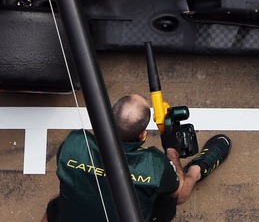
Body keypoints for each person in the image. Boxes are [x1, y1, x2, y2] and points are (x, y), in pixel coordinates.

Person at [42, 93, 231, 222]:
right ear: (142, 135)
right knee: (176, 194)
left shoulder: (75, 142)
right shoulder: (154, 165)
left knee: (55, 206)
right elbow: (178, 191)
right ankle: (197, 169)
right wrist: (172, 151)